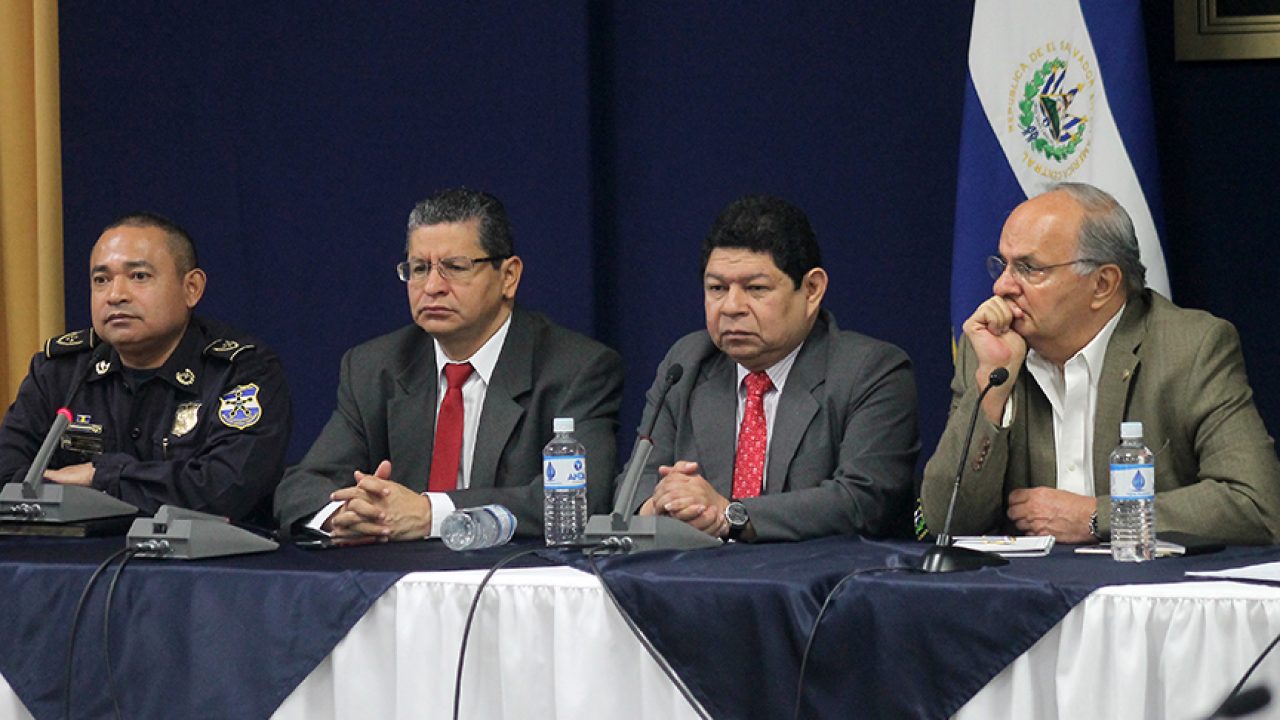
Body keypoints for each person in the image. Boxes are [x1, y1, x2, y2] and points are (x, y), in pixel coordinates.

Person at [921, 182, 1280, 545]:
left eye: (1029, 268)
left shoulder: (1190, 348)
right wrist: (992, 388)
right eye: (1004, 265)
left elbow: (1257, 506)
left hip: (1143, 580)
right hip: (1024, 582)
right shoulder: (989, 351)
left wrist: (1098, 516)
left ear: (1103, 284)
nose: (1002, 286)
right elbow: (944, 521)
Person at [274, 188, 624, 540]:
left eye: (455, 268)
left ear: (509, 276)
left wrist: (432, 515)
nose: (432, 286)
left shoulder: (576, 369)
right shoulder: (374, 367)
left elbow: (580, 500)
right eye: (419, 268)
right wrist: (347, 515)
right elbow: (302, 486)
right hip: (396, 572)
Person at [629, 195, 919, 542]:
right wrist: (662, 505)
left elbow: (862, 501)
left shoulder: (870, 371)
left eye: (756, 289)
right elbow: (634, 486)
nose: (731, 307)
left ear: (811, 290)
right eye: (717, 288)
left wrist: (730, 514)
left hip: (820, 575)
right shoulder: (687, 362)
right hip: (697, 572)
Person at [0, 213, 292, 522]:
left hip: (203, 553)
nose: (116, 295)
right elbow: (7, 475)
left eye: (139, 276)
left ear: (192, 288)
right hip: (67, 551)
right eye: (101, 280)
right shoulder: (60, 371)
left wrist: (101, 478)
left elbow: (224, 489)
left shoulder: (241, 372)